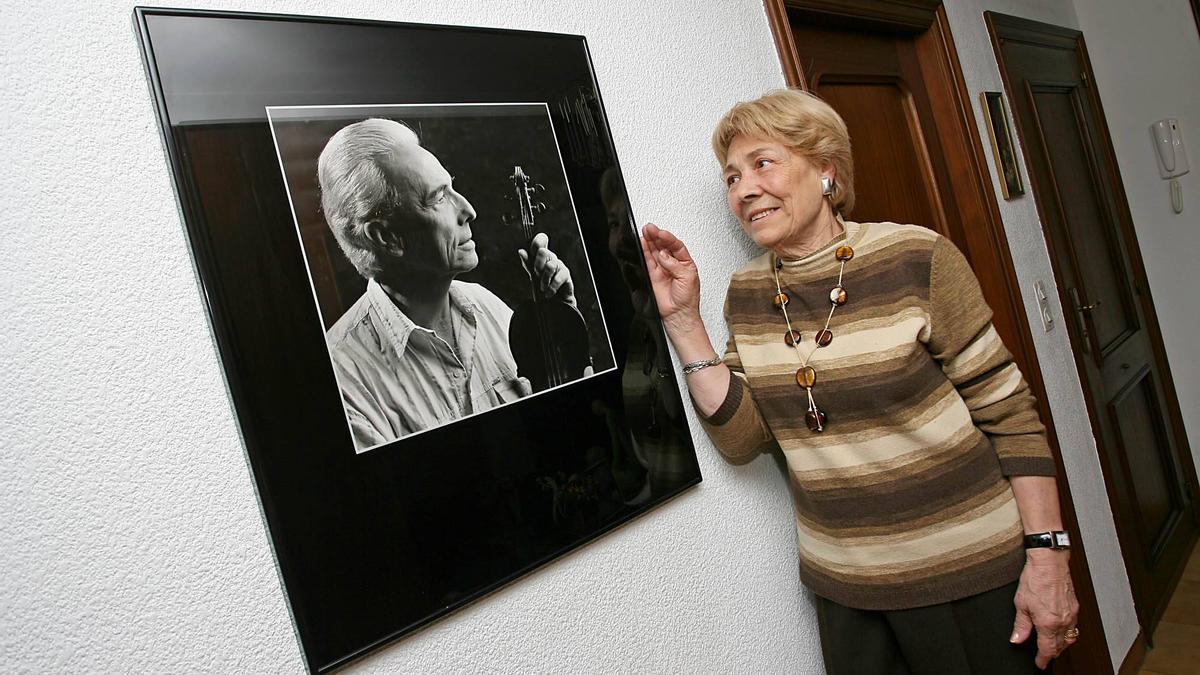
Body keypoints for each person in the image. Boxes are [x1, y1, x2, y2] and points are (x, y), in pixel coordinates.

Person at [641, 90, 1079, 673]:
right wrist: (683, 321)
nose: (744, 189)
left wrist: (1048, 558)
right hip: (847, 592)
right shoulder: (746, 292)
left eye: (763, 163)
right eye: (730, 177)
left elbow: (1012, 416)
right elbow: (744, 440)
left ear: (826, 170)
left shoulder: (915, 257)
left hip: (968, 572)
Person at [317, 118, 578, 449]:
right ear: (387, 237)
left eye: (452, 187)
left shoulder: (486, 305)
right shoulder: (344, 380)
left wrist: (563, 329)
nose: (468, 210)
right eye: (438, 197)